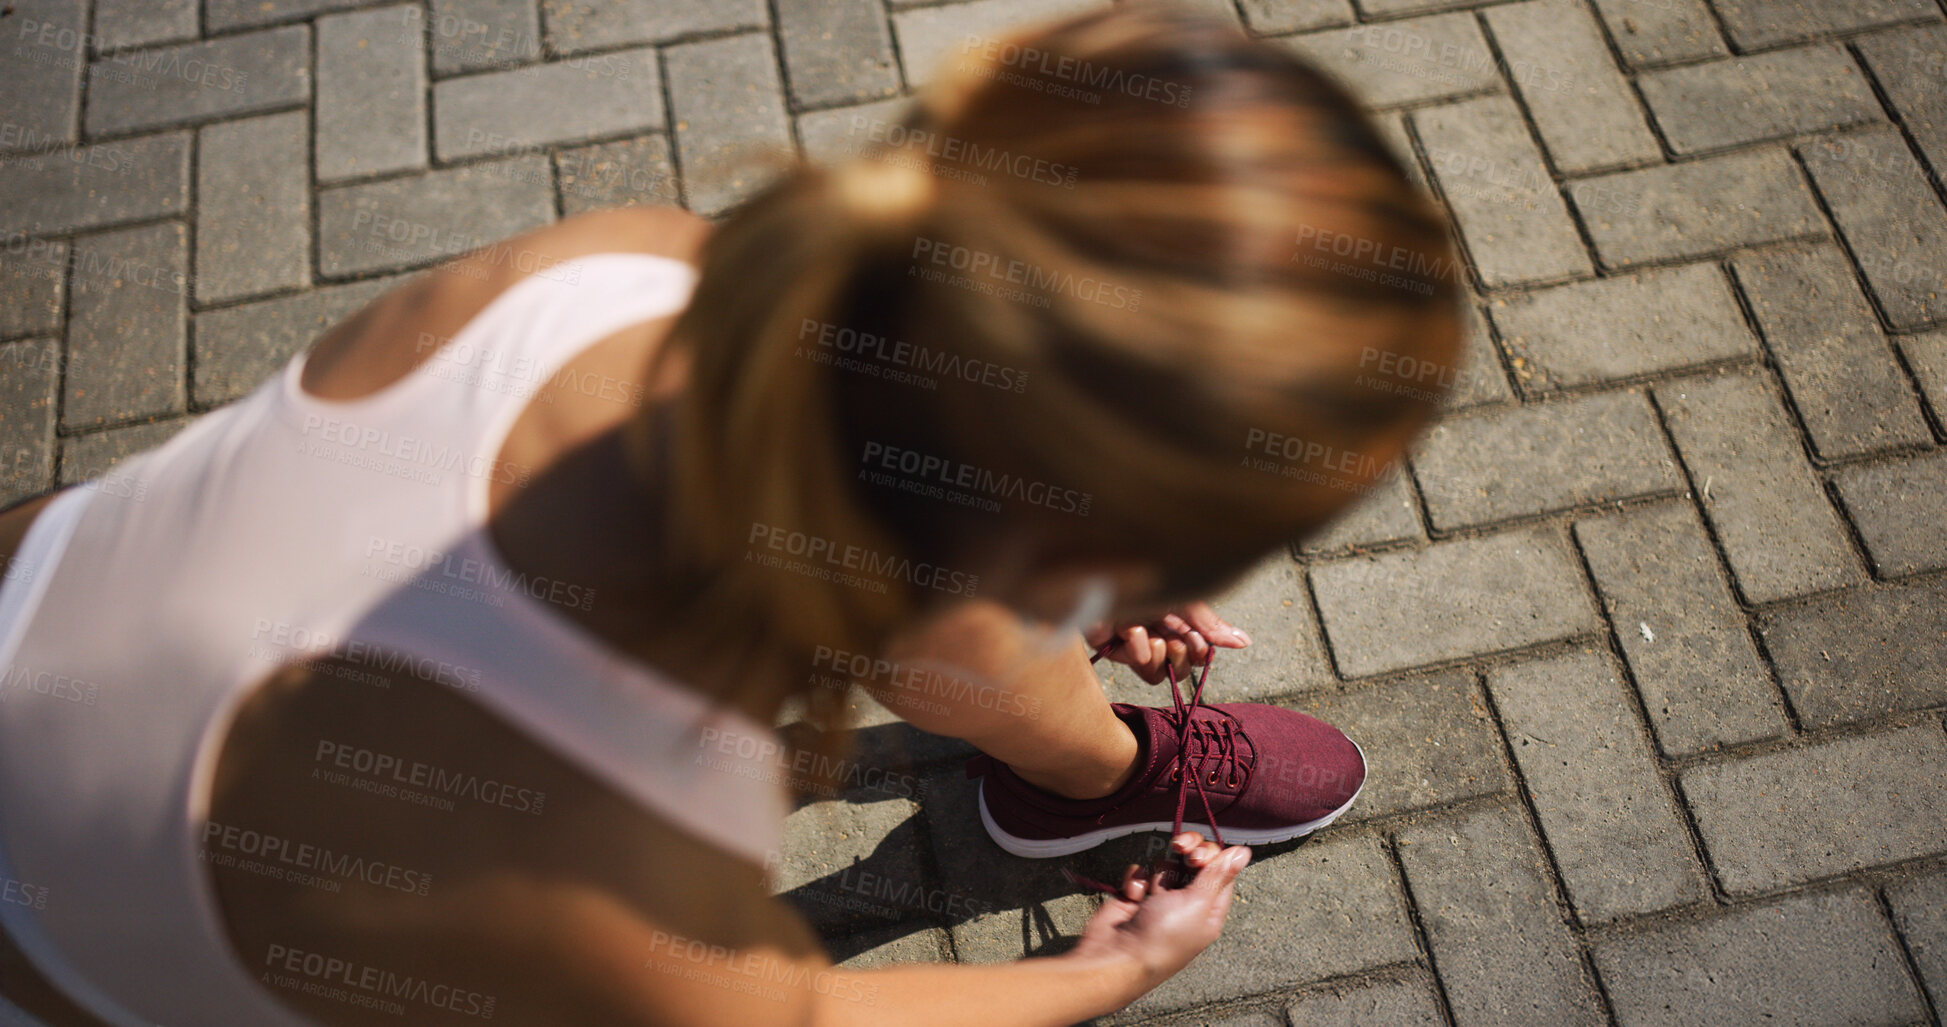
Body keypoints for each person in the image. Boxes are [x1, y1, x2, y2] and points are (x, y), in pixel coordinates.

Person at [0, 4, 1462, 1024]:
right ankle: (1072, 785)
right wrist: (1110, 972)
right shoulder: (611, 886)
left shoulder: (613, 274)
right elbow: (801, 1017)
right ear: (1081, 560)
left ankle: (1067, 767)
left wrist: (1031, 539)